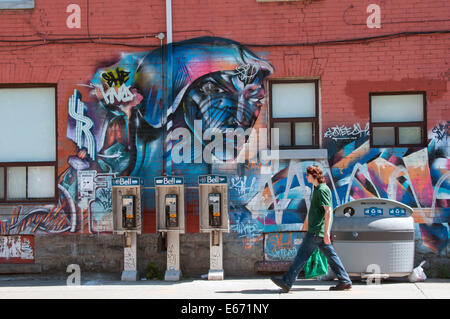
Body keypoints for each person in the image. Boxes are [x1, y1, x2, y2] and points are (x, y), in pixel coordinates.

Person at [270, 165, 352, 292]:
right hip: (317, 230)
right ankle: (345, 280)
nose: (306, 177)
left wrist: (325, 233)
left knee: (301, 257)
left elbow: (328, 211)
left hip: (317, 231)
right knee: (331, 256)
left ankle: (287, 282)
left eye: (307, 175)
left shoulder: (322, 190)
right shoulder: (317, 188)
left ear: (314, 176)